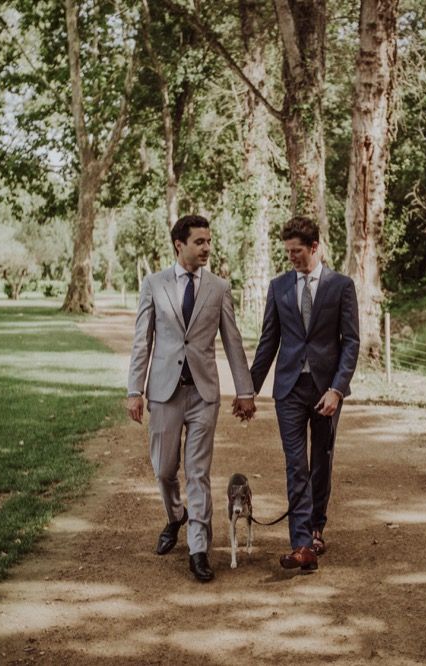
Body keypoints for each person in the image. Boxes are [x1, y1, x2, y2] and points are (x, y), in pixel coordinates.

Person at [126, 214, 256, 582]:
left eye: (209, 242)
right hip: (164, 393)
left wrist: (244, 391)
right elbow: (142, 342)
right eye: (199, 242)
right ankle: (175, 516)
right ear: (179, 245)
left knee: (198, 472)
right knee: (164, 470)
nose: (207, 248)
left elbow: (232, 342)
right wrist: (135, 390)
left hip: (203, 394)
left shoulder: (218, 288)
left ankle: (199, 548)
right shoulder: (153, 284)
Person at [250, 215, 359, 571]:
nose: (291, 257)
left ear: (314, 248)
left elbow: (351, 343)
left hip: (326, 391)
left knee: (321, 462)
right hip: (289, 390)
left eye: (297, 251)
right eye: (287, 251)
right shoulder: (278, 286)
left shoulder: (341, 286)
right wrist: (248, 390)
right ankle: (301, 544)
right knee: (296, 465)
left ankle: (316, 527)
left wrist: (337, 390)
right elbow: (269, 342)